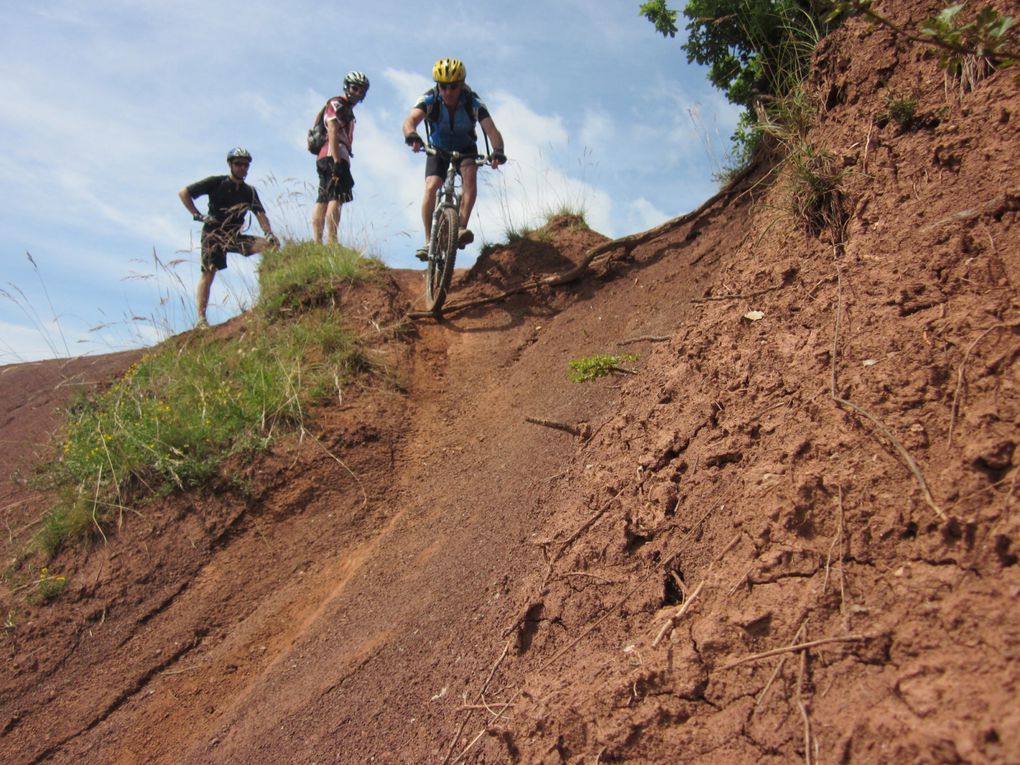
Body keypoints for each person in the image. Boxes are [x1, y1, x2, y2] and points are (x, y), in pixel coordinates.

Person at [402, 57, 506, 261]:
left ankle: (460, 228)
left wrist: (498, 150)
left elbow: (491, 129)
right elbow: (410, 120)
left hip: (465, 147)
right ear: (437, 85)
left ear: (462, 85)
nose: (448, 92)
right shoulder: (430, 98)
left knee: (470, 175)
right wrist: (411, 135)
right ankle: (428, 240)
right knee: (432, 186)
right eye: (443, 87)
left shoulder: (472, 101)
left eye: (454, 87)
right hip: (439, 148)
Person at [178, 147, 279, 328]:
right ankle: (201, 319)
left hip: (234, 236)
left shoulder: (250, 192)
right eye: (238, 164)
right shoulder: (216, 182)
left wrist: (269, 233)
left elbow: (261, 214)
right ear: (230, 165)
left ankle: (269, 294)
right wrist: (198, 215)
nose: (242, 168)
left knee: (269, 247)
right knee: (209, 271)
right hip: (214, 234)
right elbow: (183, 193)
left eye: (246, 165)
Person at [311, 71, 369, 245]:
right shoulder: (337, 103)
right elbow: (332, 130)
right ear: (347, 86)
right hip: (334, 153)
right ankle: (332, 242)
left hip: (326, 154)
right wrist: (337, 161)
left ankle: (317, 244)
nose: (357, 93)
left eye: (361, 91)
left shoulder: (344, 107)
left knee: (323, 197)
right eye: (355, 88)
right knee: (336, 197)